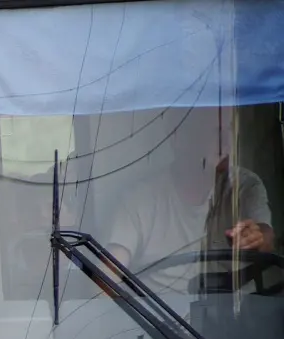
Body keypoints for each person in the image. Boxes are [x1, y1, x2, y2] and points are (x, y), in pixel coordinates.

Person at [106, 105, 274, 293]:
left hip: (237, 319)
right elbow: (106, 279)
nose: (227, 143)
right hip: (159, 321)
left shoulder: (245, 186)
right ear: (181, 138)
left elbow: (266, 236)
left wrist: (256, 238)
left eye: (230, 131)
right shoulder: (139, 200)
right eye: (217, 134)